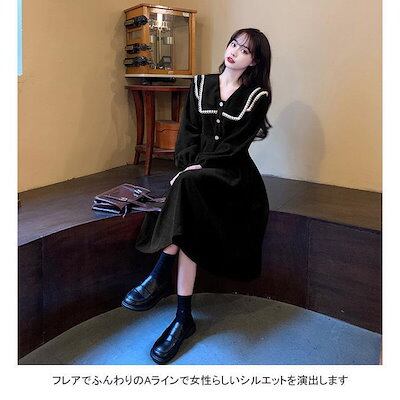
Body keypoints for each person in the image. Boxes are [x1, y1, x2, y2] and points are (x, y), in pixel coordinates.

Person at [122, 28, 273, 364]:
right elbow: (187, 134)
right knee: (189, 203)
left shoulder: (257, 96)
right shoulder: (201, 84)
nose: (234, 52)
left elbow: (234, 147)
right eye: (233, 44)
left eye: (244, 50)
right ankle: (182, 317)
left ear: (254, 61)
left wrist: (196, 168)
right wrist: (189, 165)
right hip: (197, 175)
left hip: (234, 179)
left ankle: (159, 274)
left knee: (188, 187)